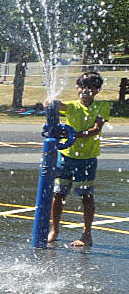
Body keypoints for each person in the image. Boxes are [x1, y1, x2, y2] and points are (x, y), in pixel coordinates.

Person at [48, 71, 112, 247]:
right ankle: (54, 230)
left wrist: (73, 135)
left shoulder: (102, 106)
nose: (85, 91)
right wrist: (51, 103)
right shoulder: (72, 106)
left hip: (87, 159)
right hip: (66, 157)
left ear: (97, 90)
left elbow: (95, 130)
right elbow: (59, 105)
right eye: (82, 87)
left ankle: (86, 234)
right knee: (58, 194)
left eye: (90, 87)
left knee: (86, 196)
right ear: (77, 88)